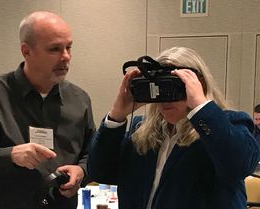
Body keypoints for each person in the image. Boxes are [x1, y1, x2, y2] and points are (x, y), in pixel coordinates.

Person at [88, 47, 260, 209]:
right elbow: (100, 172)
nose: (166, 99)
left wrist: (201, 107)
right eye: (159, 88)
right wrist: (116, 117)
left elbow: (239, 166)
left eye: (174, 87)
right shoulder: (141, 130)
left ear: (198, 85)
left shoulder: (229, 123)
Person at [0, 11, 96, 209]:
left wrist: (81, 171)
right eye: (54, 49)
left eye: (68, 47)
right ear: (26, 51)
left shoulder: (79, 99)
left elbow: (92, 153)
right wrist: (10, 156)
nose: (66, 57)